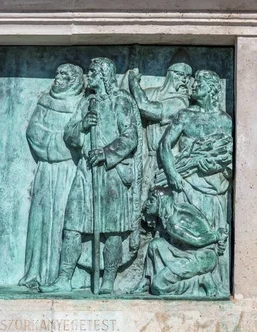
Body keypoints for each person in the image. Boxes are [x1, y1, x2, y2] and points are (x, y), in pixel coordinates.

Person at [41, 57, 142, 294]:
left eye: (93, 72)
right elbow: (70, 134)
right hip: (87, 172)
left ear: (105, 75)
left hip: (111, 173)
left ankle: (108, 280)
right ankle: (64, 278)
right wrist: (83, 126)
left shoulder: (121, 102)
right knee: (73, 225)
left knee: (112, 230)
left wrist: (107, 152)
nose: (90, 76)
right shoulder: (88, 103)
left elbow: (130, 137)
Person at [159, 69, 233, 291]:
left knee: (212, 233)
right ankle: (184, 280)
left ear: (211, 88)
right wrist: (173, 174)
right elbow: (165, 145)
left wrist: (218, 166)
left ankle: (214, 281)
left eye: (199, 82)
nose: (193, 84)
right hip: (187, 184)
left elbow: (232, 155)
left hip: (214, 189)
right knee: (185, 232)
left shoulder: (224, 120)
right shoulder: (185, 115)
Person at [18, 63, 84, 290]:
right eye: (57, 74)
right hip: (47, 170)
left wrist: (68, 143)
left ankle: (66, 275)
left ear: (75, 80)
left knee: (67, 219)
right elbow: (33, 131)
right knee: (42, 218)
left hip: (70, 170)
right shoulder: (46, 101)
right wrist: (60, 142)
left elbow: (83, 137)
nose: (58, 79)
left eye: (65, 76)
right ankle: (36, 272)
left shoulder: (82, 103)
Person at [128, 49, 192, 201]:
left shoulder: (181, 102)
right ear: (170, 74)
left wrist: (134, 84)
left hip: (169, 161)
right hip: (148, 158)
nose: (184, 80)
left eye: (188, 77)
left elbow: (146, 108)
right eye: (180, 75)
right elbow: (135, 105)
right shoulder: (152, 92)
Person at [142, 188, 227, 296]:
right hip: (189, 252)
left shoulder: (173, 225)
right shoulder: (181, 208)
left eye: (151, 201)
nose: (147, 205)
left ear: (161, 202)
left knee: (158, 287)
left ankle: (201, 280)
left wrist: (217, 235)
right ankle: (146, 281)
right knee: (155, 244)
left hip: (203, 258)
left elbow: (198, 241)